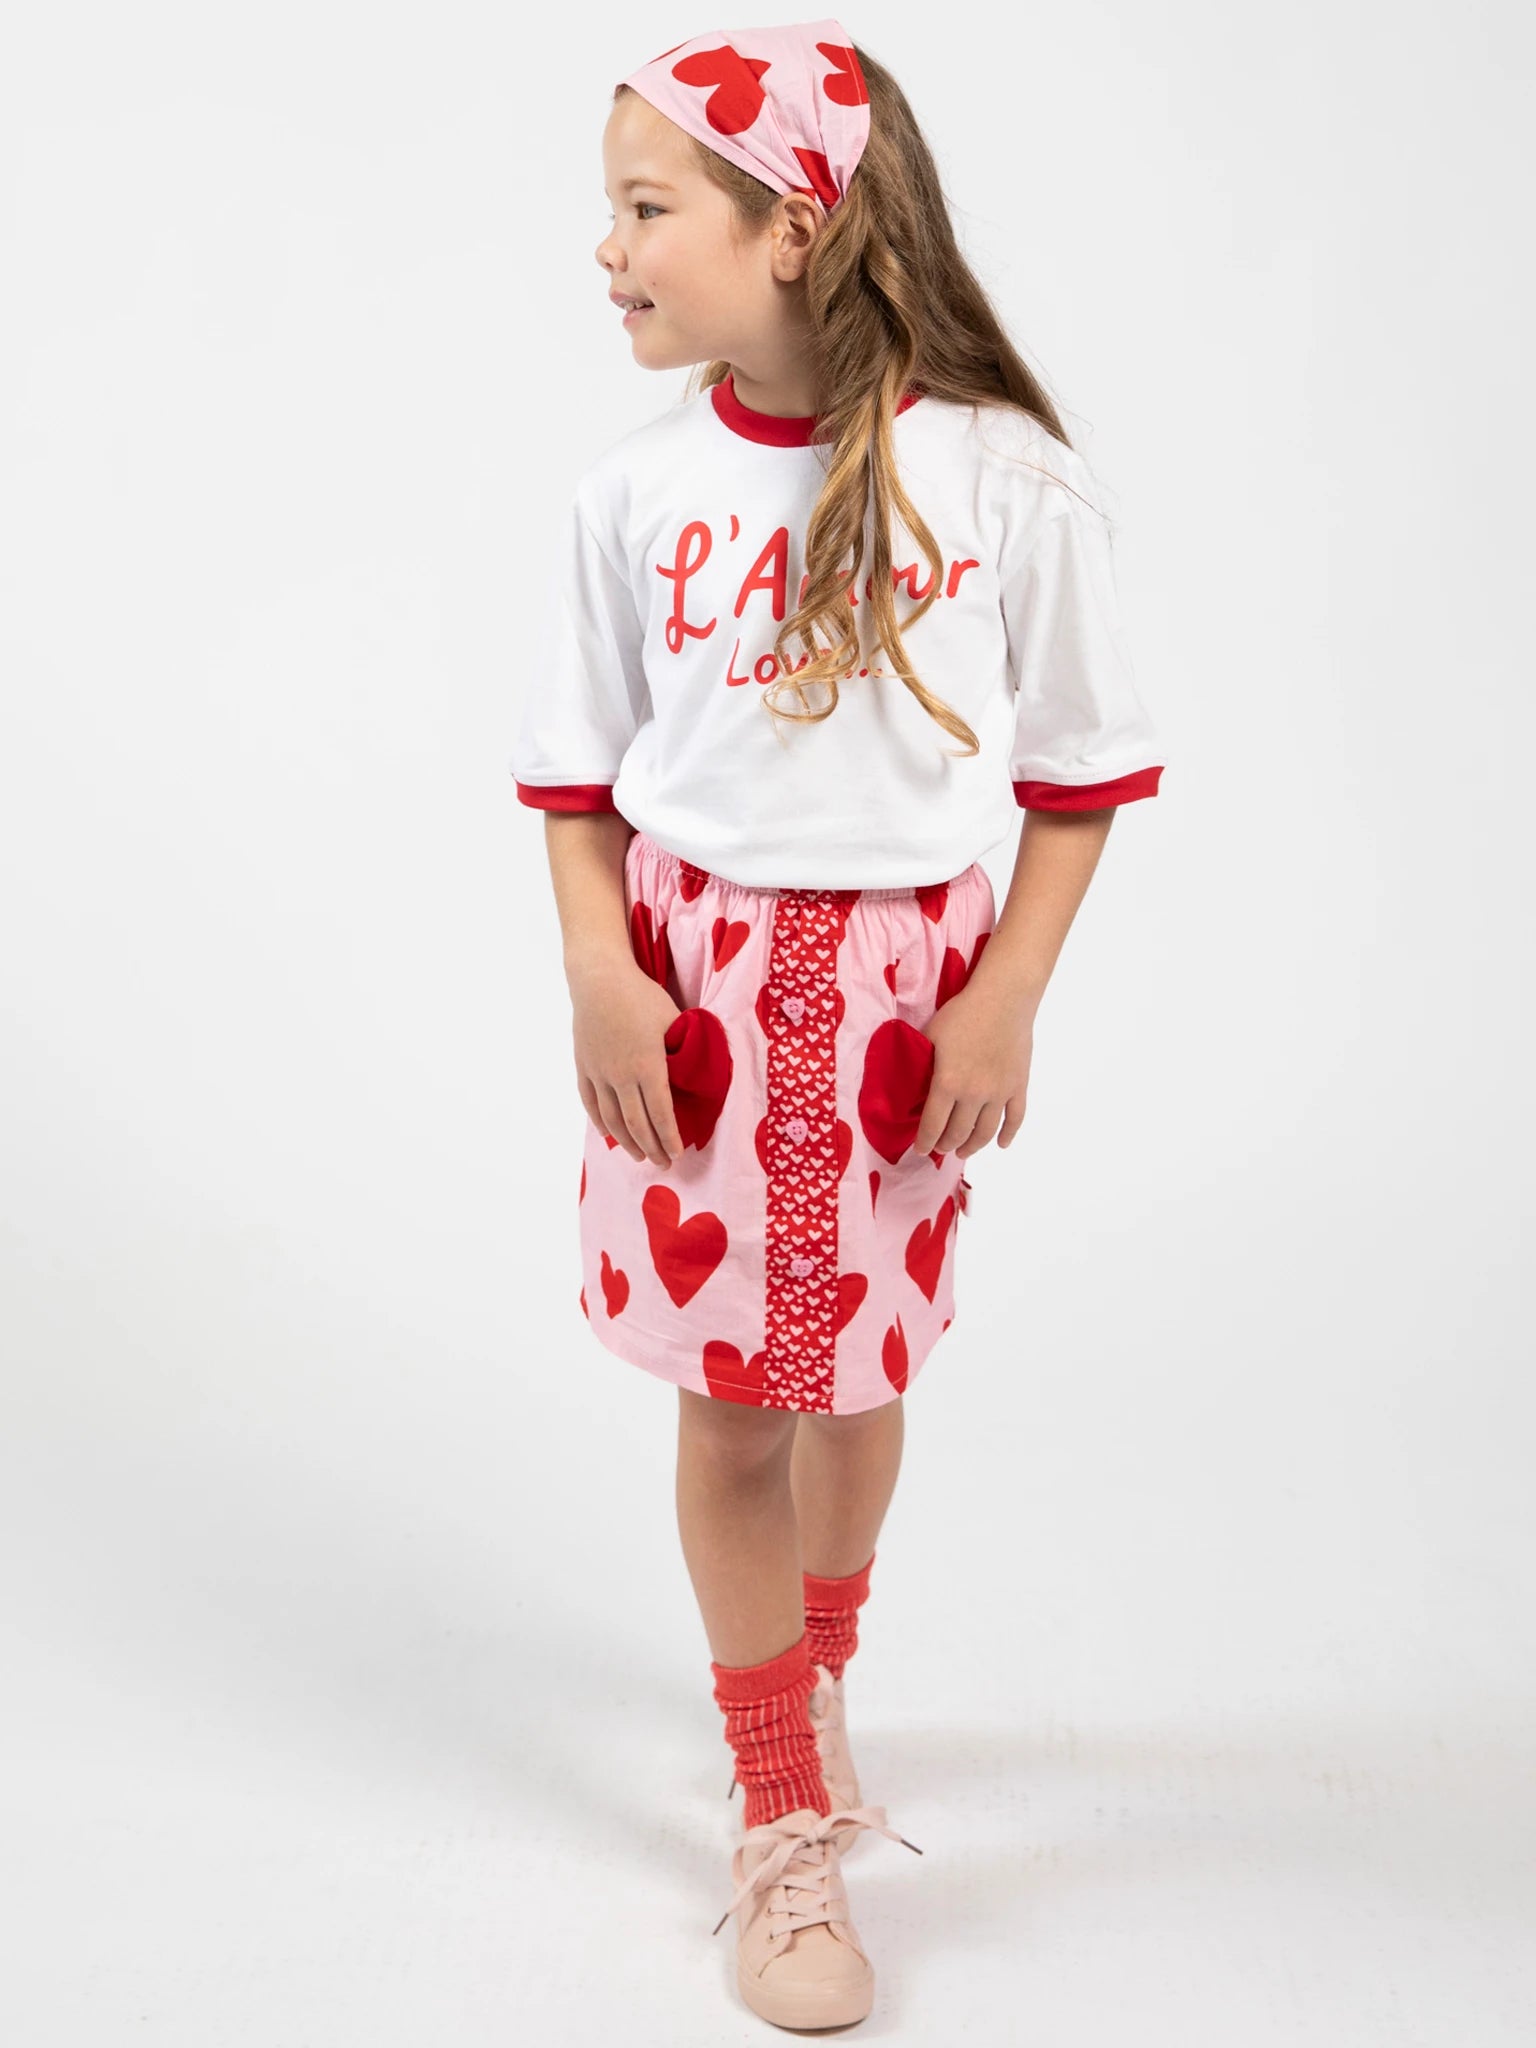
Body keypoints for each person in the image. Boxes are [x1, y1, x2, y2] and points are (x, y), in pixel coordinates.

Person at [509, 18, 1167, 2030]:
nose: (605, 249)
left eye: (646, 209)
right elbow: (577, 781)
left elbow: (1080, 773)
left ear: (790, 227)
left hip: (902, 1018)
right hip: (693, 1010)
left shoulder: (1003, 480)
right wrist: (601, 971)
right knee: (732, 1405)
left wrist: (1006, 998)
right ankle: (778, 1805)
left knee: (858, 1382)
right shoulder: (631, 496)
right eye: (610, 210)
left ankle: (819, 1668)